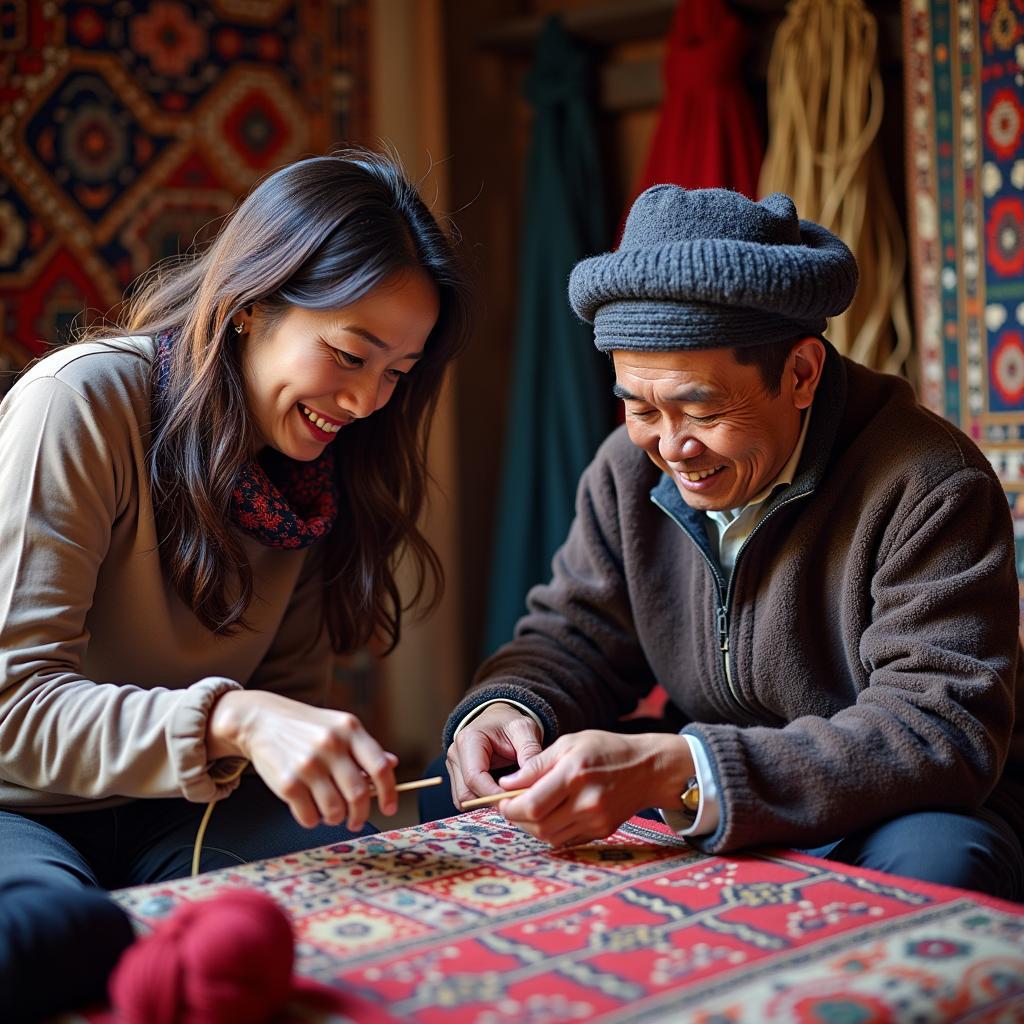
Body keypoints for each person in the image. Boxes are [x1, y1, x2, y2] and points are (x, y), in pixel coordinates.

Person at [435, 184, 1024, 902]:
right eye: (640, 407)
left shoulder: (929, 482)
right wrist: (511, 710)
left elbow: (938, 730)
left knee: (943, 860)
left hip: (878, 803)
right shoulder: (626, 470)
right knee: (481, 798)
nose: (672, 447)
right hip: (707, 777)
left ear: (801, 373)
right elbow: (574, 636)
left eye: (702, 409)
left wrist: (682, 766)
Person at [0, 149, 469, 1018]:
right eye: (349, 354)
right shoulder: (80, 403)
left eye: (396, 375)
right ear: (253, 304)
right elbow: (9, 712)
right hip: (18, 809)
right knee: (58, 940)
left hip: (183, 806)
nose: (368, 402)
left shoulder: (324, 470)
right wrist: (234, 718)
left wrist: (319, 773)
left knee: (361, 893)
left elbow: (284, 699)